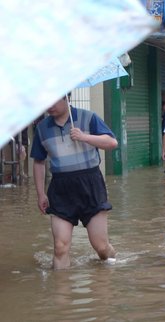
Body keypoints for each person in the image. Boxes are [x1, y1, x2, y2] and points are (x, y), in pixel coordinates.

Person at [30, 94, 117, 269]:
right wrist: (40, 194)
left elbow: (112, 142)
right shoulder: (41, 128)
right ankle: (61, 293)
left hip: (91, 185)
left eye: (53, 100)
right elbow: (39, 162)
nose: (49, 105)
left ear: (66, 97)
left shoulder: (88, 117)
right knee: (60, 248)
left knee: (101, 247)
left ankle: (112, 268)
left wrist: (85, 137)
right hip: (61, 188)